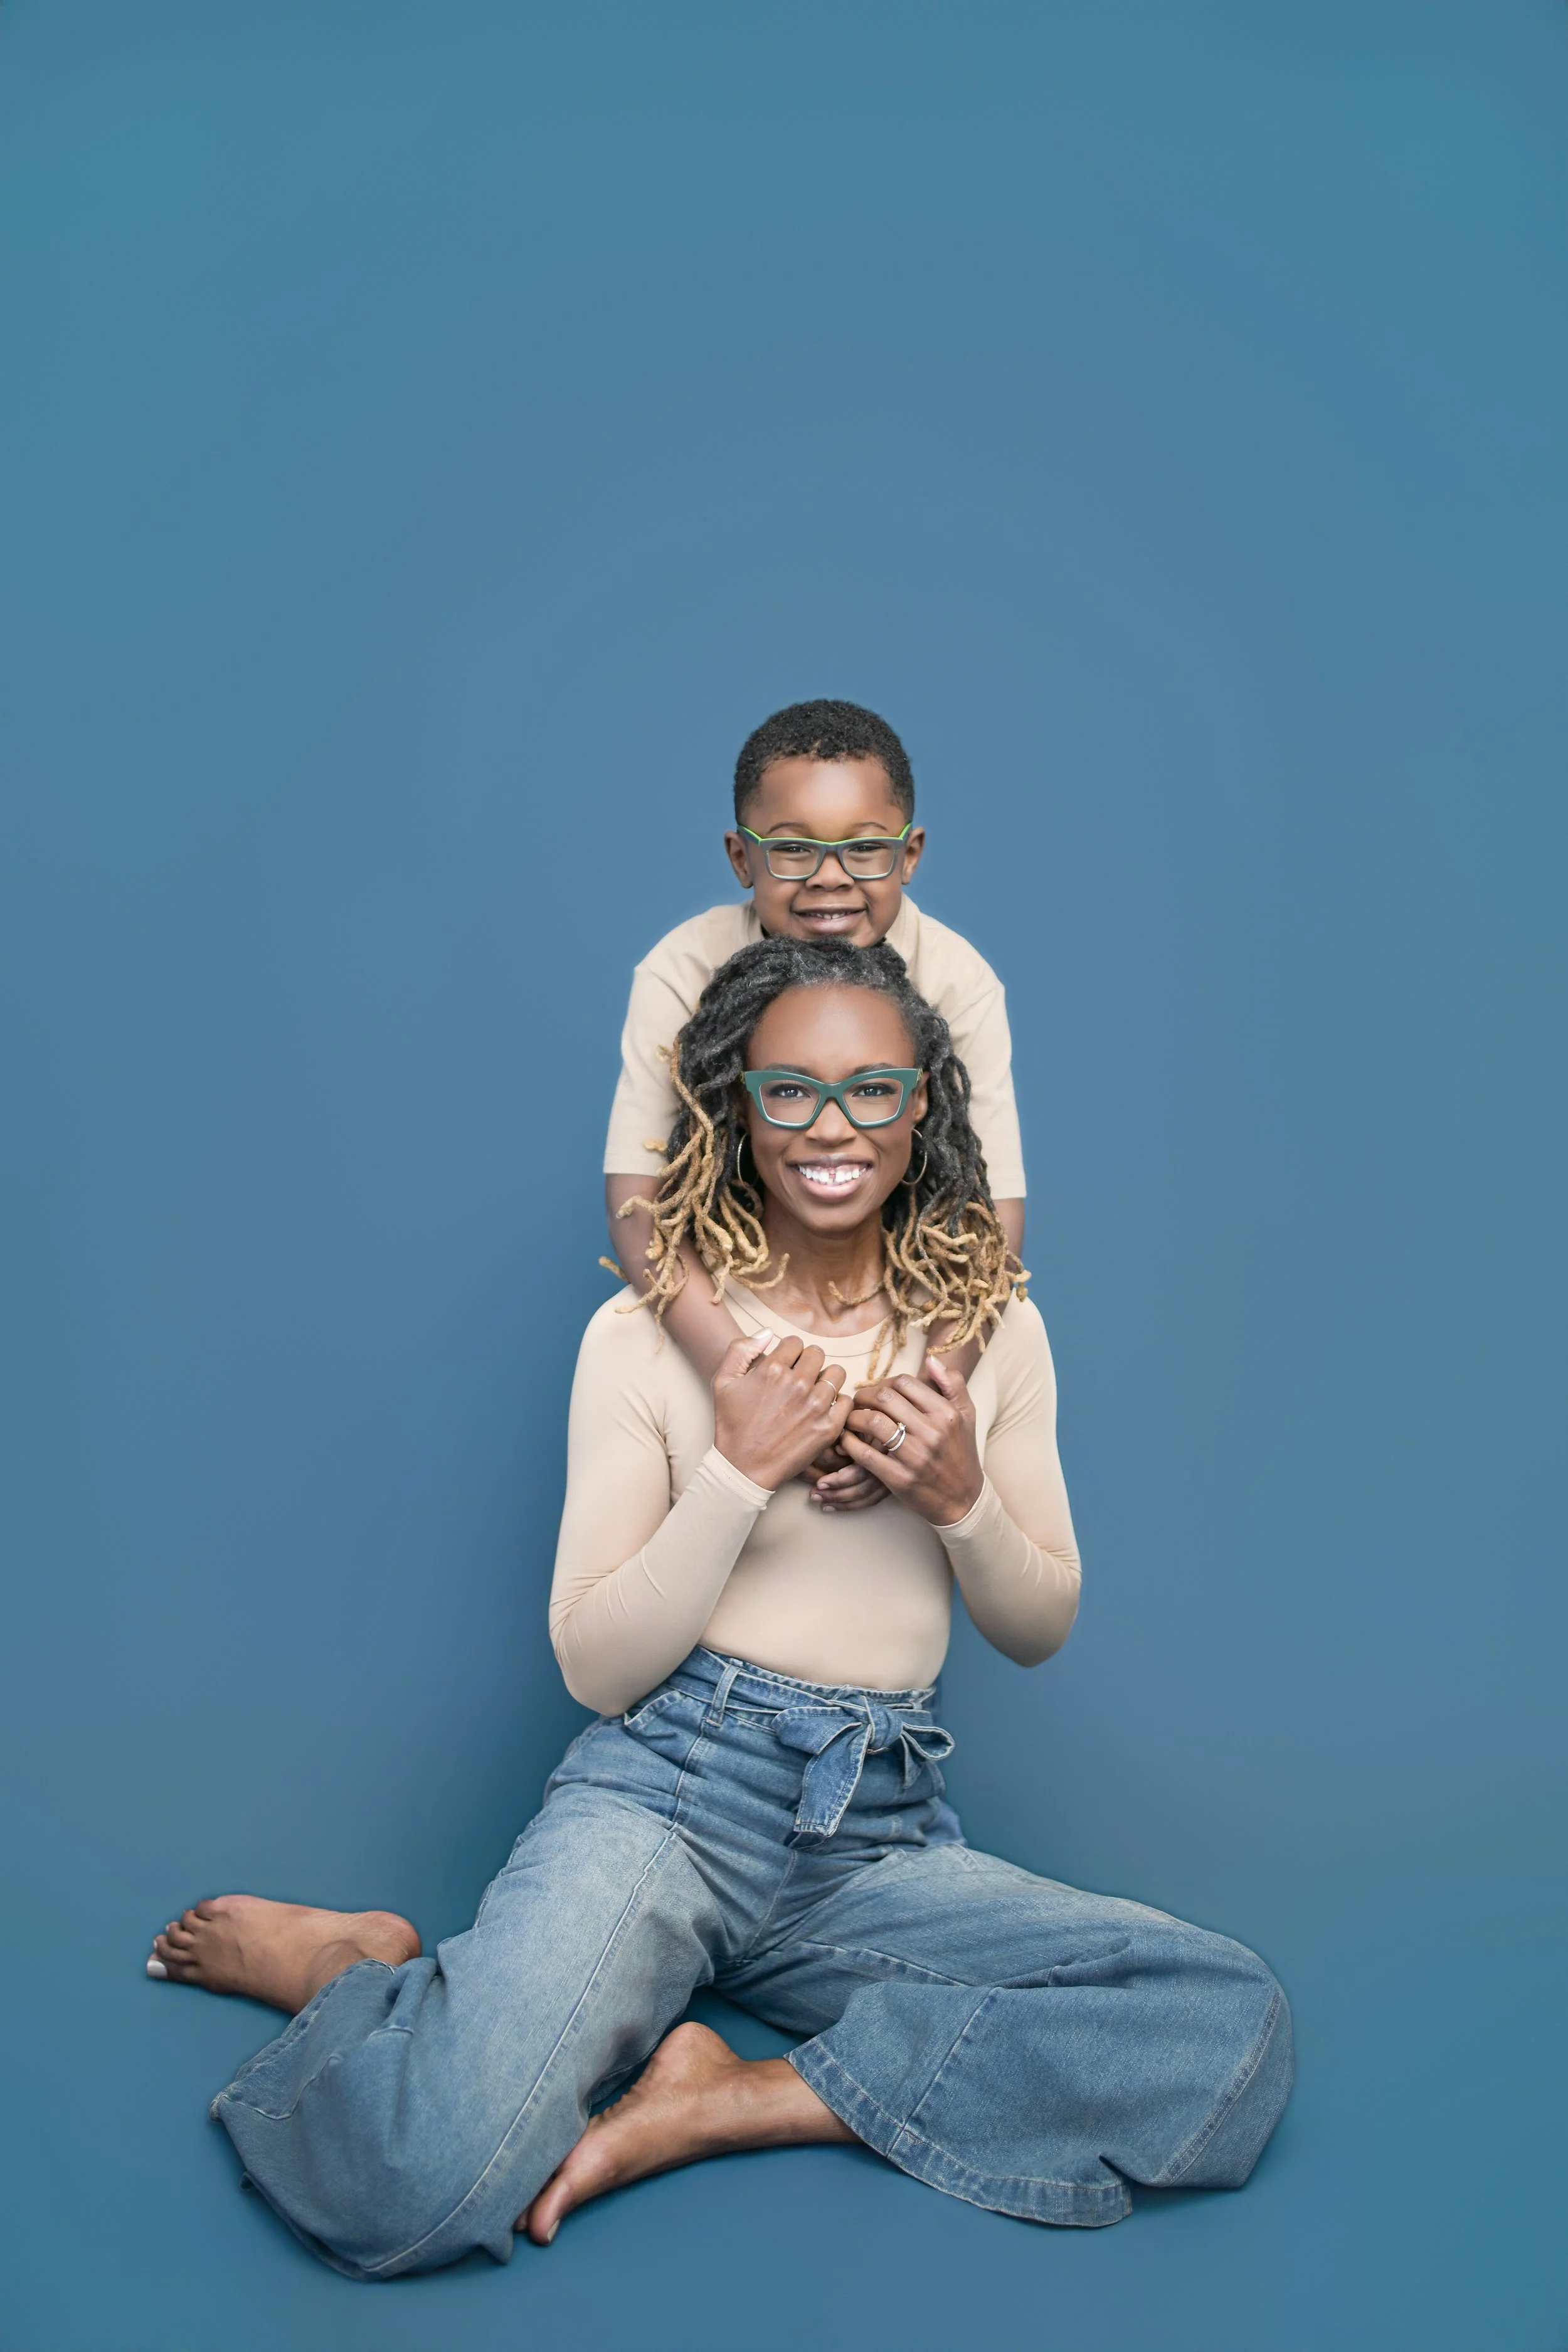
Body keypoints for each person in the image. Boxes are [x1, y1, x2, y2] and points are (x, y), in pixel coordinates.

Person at [146, 939, 1293, 2280]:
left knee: (1224, 2022)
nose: (832, 1127)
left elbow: (1036, 1626)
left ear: (923, 1104)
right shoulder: (638, 1340)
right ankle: (357, 1971)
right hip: (670, 1798)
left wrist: (961, 1499)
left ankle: (733, 2100)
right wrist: (739, 1470)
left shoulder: (989, 1330)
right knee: (412, 2185)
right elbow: (594, 1666)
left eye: (872, 1088)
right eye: (789, 1090)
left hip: (877, 1833)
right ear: (733, 1106)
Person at [607, 698, 1025, 1513]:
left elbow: (995, 1216)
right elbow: (637, 1208)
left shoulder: (957, 979)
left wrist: (917, 1411)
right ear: (740, 857)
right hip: (732, 1299)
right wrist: (751, 1382)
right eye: (793, 849)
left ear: (910, 855)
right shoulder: (680, 969)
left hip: (892, 1295)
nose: (830, 877)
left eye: (865, 849)